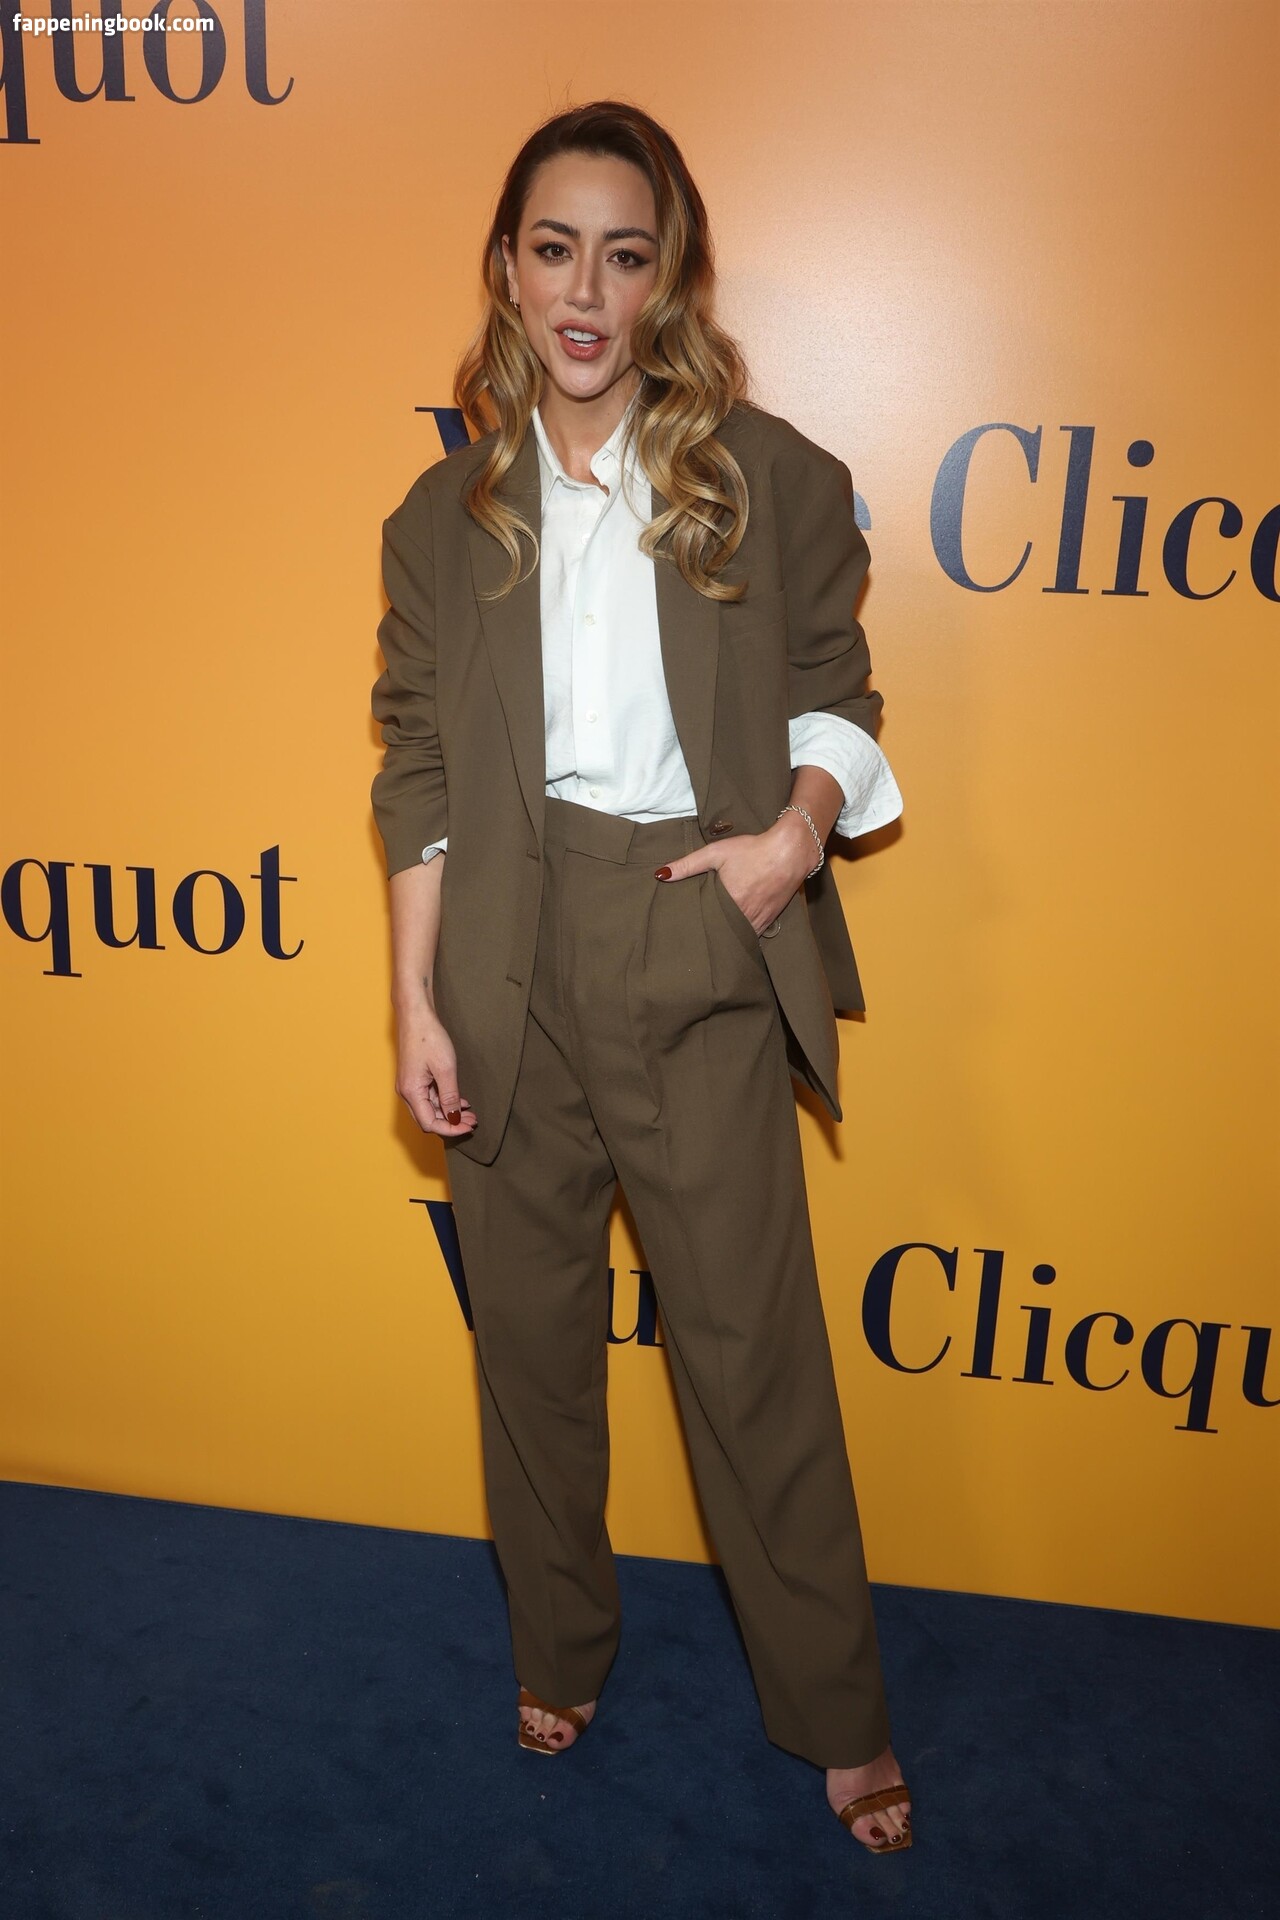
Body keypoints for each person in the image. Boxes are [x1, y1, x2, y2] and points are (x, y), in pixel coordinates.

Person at [370, 100, 911, 1854]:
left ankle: (835, 1713)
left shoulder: (772, 476)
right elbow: (417, 776)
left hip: (694, 926)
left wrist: (791, 842)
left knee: (752, 1358)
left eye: (624, 253)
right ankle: (560, 1649)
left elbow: (839, 692)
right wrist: (416, 998)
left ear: (669, 273)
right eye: (555, 250)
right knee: (532, 1351)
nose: (586, 293)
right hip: (501, 956)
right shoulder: (440, 519)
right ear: (507, 269)